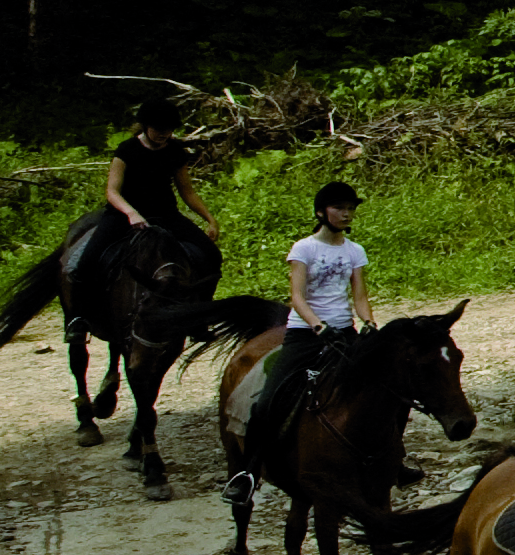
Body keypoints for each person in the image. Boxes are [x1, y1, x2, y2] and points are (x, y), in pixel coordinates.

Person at [237, 181, 372, 460]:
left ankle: (392, 457)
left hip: (343, 331)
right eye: (339, 208)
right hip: (305, 333)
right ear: (322, 213)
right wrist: (318, 326)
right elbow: (297, 297)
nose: (346, 214)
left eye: (350, 209)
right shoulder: (304, 248)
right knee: (267, 401)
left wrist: (368, 322)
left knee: (378, 389)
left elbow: (359, 297)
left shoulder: (355, 250)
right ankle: (246, 472)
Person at [85, 102, 223, 286]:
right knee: (86, 263)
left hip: (166, 215)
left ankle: (202, 305)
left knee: (212, 255)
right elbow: (112, 191)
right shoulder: (126, 150)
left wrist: (210, 219)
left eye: (169, 129)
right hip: (123, 216)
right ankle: (80, 313)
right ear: (145, 126)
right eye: (159, 129)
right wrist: (132, 213)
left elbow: (187, 191)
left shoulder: (175, 152)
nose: (164, 134)